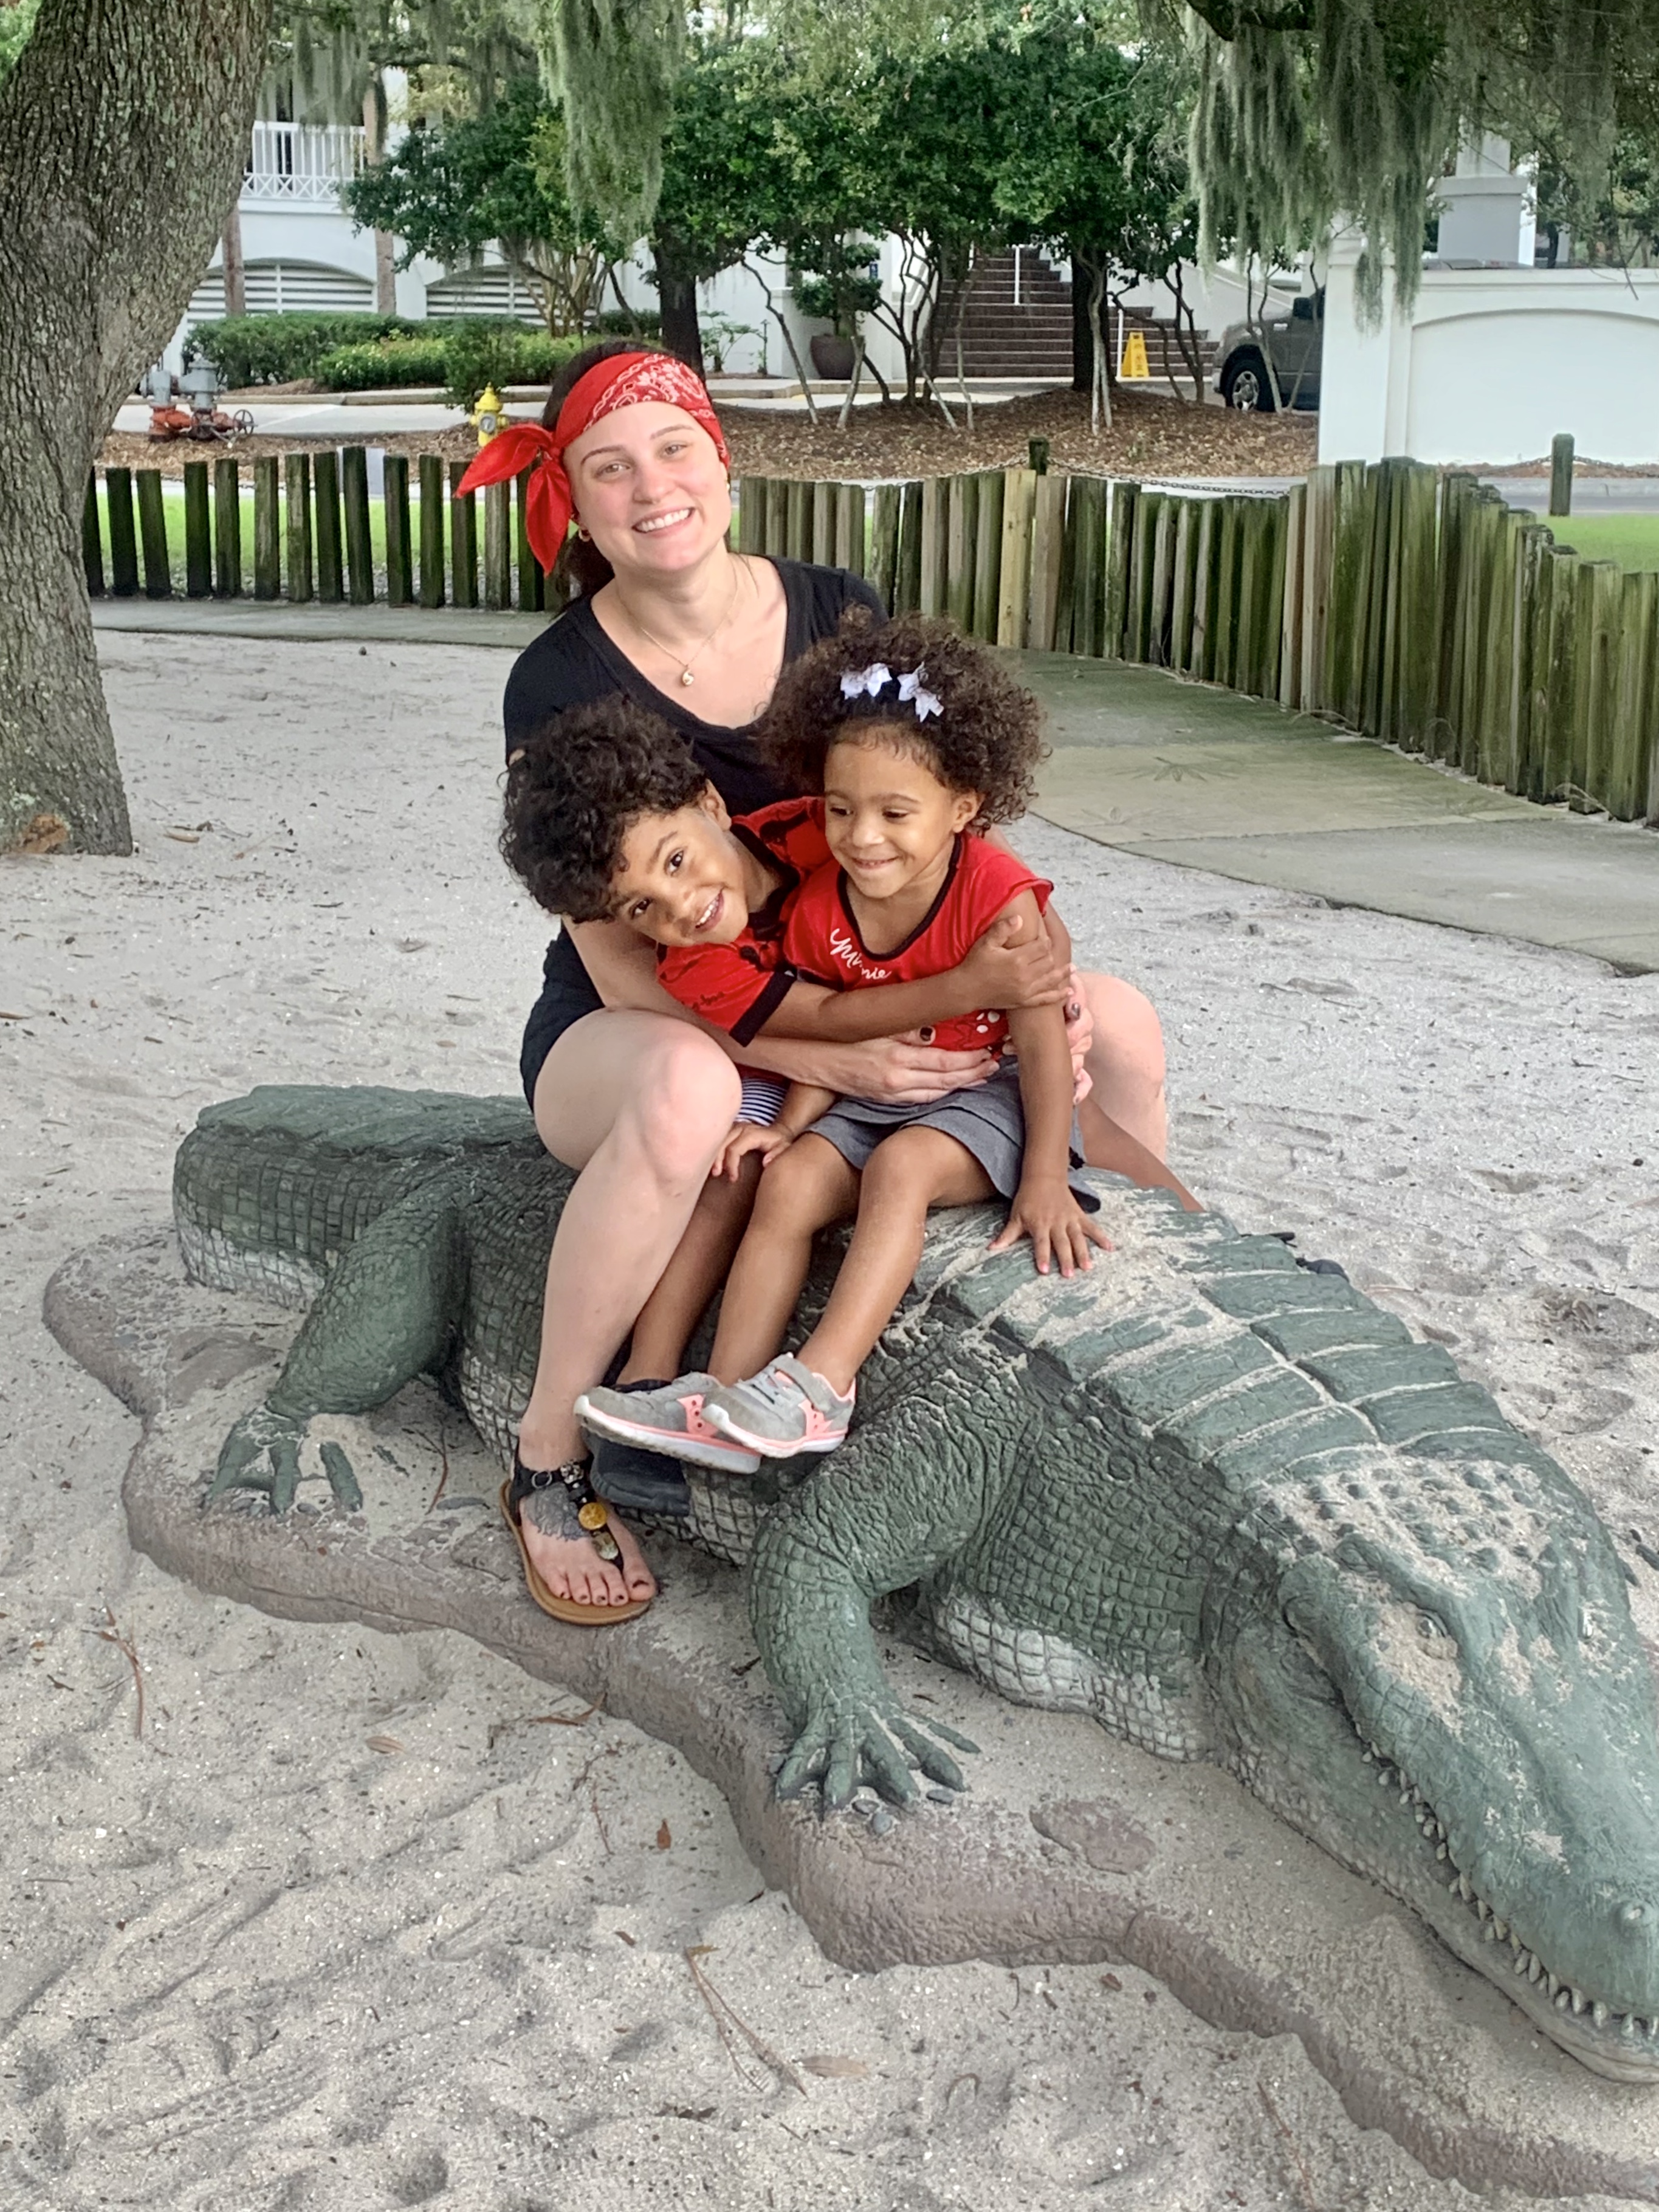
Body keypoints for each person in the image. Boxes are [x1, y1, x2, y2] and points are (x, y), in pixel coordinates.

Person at [465, 338, 1178, 1624]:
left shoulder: (836, 606)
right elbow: (614, 942)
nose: (654, 487)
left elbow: (924, 819)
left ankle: (1145, 1294)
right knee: (691, 1089)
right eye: (610, 468)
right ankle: (549, 1452)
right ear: (571, 495)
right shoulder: (558, 678)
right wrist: (815, 1053)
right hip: (647, 1021)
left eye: (675, 449)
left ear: (721, 458)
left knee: (1117, 1019)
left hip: (846, 973)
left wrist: (1020, 972)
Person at [576, 615, 1155, 1466]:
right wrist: (790, 1127)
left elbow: (1037, 1037)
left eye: (892, 813)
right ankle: (729, 1401)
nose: (860, 836)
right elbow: (835, 1022)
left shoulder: (995, 895)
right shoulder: (821, 899)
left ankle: (820, 1386)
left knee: (902, 1168)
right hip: (869, 1095)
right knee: (788, 1179)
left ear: (964, 808)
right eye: (841, 811)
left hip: (983, 1092)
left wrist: (1043, 1177)